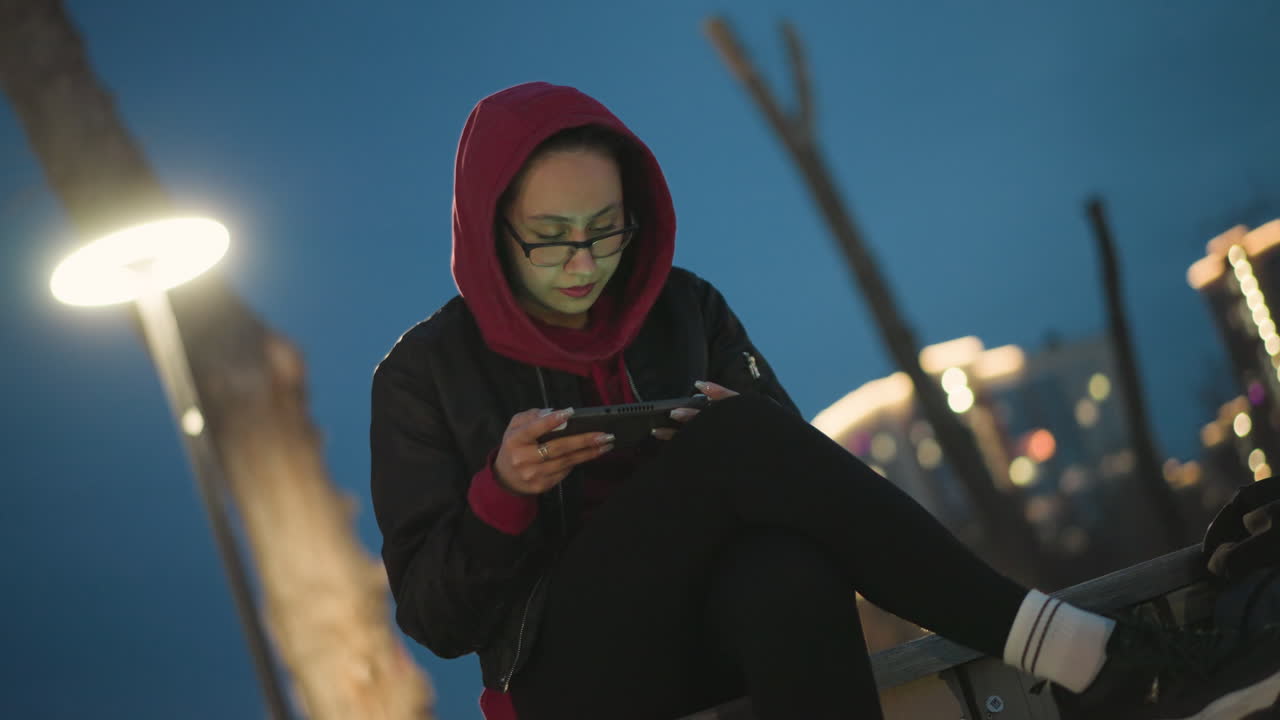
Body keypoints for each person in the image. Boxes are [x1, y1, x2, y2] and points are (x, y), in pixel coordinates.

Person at [370, 81, 1280, 720]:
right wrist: (503, 495)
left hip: (722, 626)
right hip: (572, 679)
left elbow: (803, 487)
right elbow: (433, 618)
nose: (583, 262)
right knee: (734, 445)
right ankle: (1077, 652)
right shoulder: (423, 375)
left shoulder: (684, 305)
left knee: (786, 570)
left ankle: (1080, 659)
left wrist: (741, 429)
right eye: (551, 239)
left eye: (607, 230)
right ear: (493, 232)